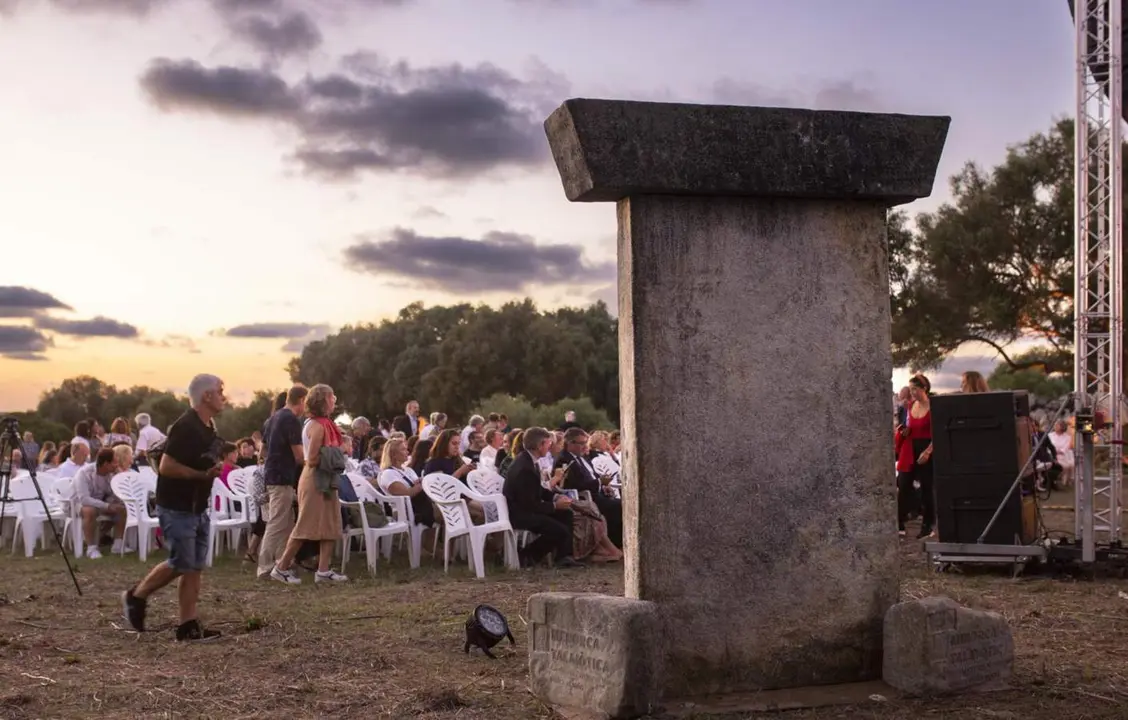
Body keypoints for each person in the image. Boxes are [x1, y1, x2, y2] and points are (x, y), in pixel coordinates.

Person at [122, 374, 227, 641]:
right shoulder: (186, 426)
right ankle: (136, 595)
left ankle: (188, 625)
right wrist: (200, 475)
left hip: (196, 505)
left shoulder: (208, 425)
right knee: (182, 562)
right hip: (177, 505)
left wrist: (209, 468)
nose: (224, 396)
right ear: (207, 396)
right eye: (220, 391)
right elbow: (167, 466)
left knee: (194, 566)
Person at [270, 384, 349, 584]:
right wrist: (339, 453)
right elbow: (312, 458)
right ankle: (281, 568)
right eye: (332, 398)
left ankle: (323, 570)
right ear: (323, 400)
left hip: (326, 478)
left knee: (330, 523)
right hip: (315, 479)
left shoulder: (322, 423)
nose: (335, 401)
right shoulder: (317, 426)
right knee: (305, 525)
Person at [502, 427, 581, 569]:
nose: (550, 446)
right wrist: (554, 506)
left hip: (528, 508)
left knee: (566, 514)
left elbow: (539, 490)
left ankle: (564, 557)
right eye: (548, 443)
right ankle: (526, 556)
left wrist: (556, 496)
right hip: (520, 514)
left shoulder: (530, 460)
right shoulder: (524, 468)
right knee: (559, 530)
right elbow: (529, 504)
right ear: (540, 445)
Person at [257, 385, 308, 579]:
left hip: (272, 475)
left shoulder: (273, 419)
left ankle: (281, 563)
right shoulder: (291, 420)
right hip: (282, 477)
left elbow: (263, 451)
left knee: (287, 521)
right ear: (302, 400)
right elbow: (299, 455)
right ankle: (265, 566)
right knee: (278, 521)